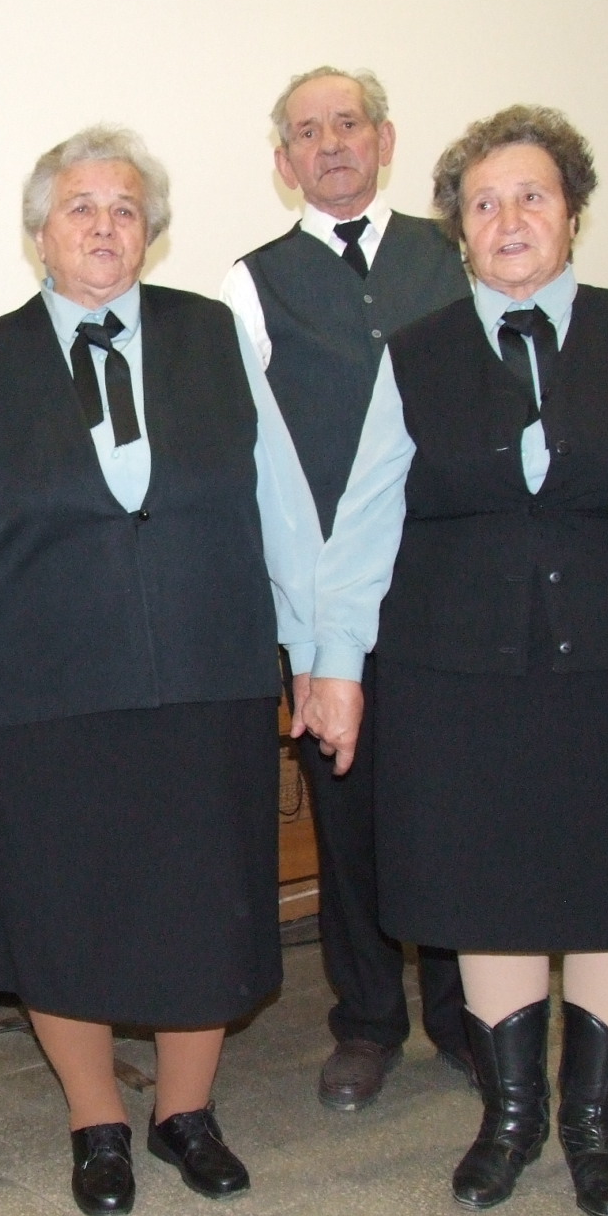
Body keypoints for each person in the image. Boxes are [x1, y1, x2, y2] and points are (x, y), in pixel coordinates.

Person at [303, 106, 608, 1216]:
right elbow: (364, 519)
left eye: (531, 195)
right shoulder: (415, 354)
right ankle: (510, 1119)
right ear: (458, 232)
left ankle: (593, 1129)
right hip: (460, 676)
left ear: (572, 213)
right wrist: (336, 667)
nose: (508, 218)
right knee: (490, 897)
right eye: (483, 204)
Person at [0, 126, 323, 1216]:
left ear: (151, 232)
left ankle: (184, 1112)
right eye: (80, 208)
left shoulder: (213, 336)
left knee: (205, 903)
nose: (103, 226)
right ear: (39, 233)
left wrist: (319, 655)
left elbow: (282, 505)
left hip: (207, 672)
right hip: (44, 689)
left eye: (125, 209)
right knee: (65, 910)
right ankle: (93, 1117)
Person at [221, 66, 474, 1112]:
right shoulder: (250, 284)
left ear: (385, 139)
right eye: (306, 132)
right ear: (283, 162)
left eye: (347, 124)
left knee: (456, 806)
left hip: (453, 583)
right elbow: (254, 461)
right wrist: (294, 625)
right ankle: (367, 1022)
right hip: (329, 600)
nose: (329, 145)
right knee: (350, 817)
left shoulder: (458, 250)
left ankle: (465, 1014)